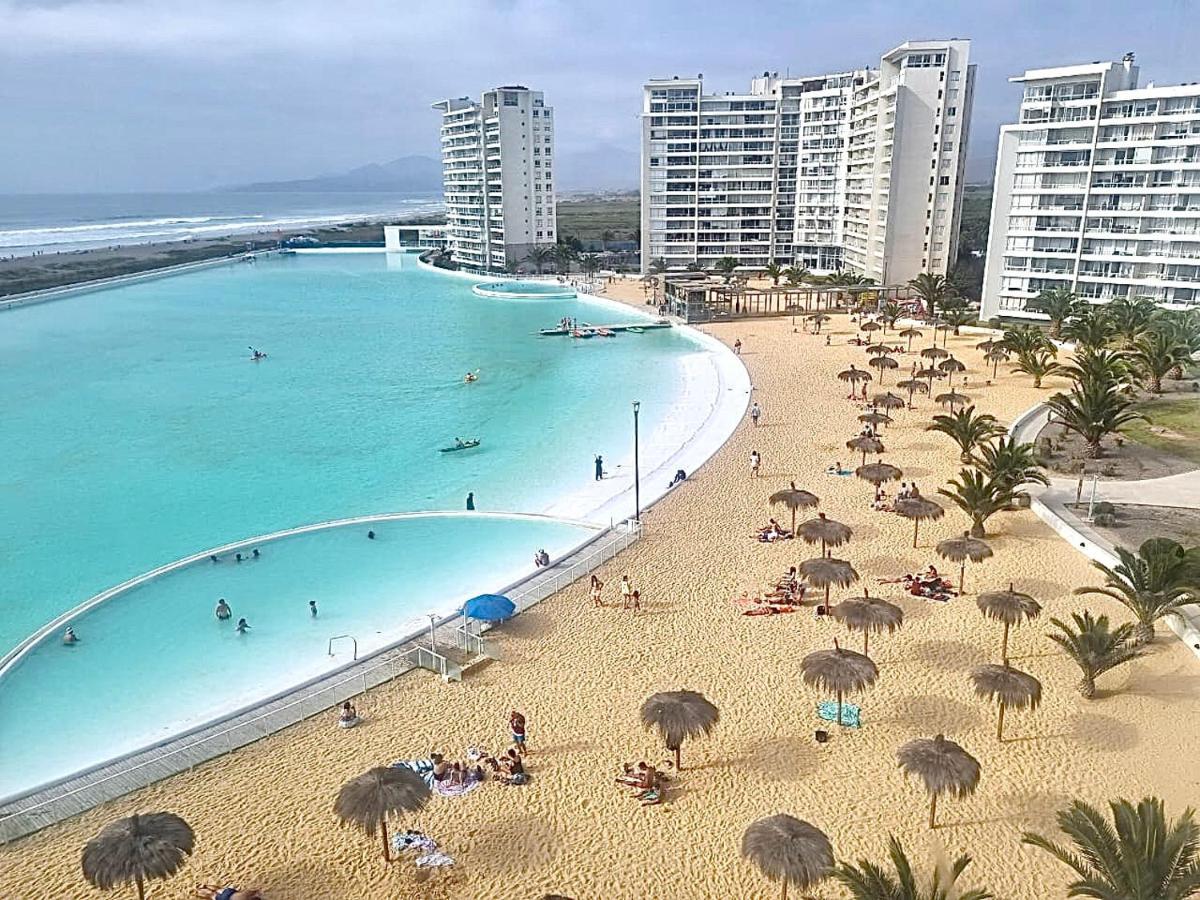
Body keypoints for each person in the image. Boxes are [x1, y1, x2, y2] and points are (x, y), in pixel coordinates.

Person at [194, 886, 262, 900]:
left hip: (231, 894)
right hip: (228, 897)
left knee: (217, 890)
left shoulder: (248, 895)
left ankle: (204, 887)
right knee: (213, 894)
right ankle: (200, 891)